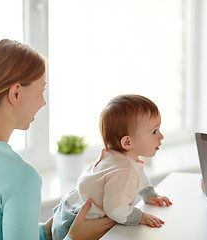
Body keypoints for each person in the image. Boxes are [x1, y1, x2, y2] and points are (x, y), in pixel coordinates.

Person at [0, 39, 115, 240]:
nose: (43, 102)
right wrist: (76, 237)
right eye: (41, 90)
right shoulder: (20, 176)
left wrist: (47, 230)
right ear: (15, 93)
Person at [52, 94, 172, 239]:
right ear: (127, 142)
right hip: (74, 226)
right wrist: (141, 217)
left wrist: (148, 194)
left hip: (67, 210)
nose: (161, 136)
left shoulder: (115, 155)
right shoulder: (123, 170)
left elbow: (138, 174)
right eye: (154, 131)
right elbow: (116, 211)